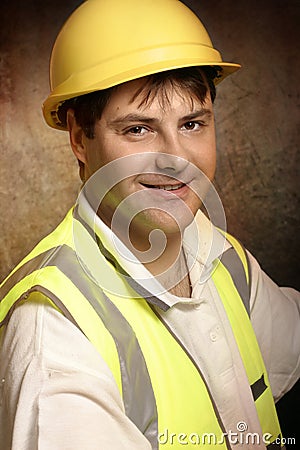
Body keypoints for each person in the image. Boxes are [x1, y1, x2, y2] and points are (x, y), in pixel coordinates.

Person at [0, 0, 299, 449]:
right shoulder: (55, 336)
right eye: (138, 129)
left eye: (193, 123)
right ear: (81, 138)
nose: (178, 159)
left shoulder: (218, 255)